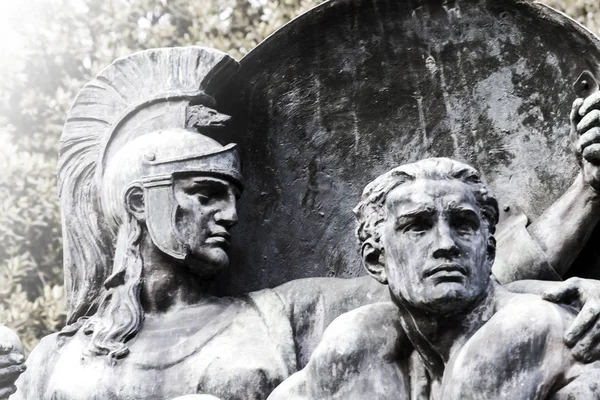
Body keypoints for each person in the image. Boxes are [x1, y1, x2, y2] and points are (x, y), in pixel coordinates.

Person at [5, 46, 600, 399]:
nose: (231, 214)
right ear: (139, 204)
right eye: (207, 193)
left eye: (232, 194)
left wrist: (589, 190)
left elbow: (447, 284)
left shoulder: (281, 313)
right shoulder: (50, 362)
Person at [268, 158, 600, 399]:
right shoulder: (365, 342)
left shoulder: (527, 324)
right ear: (375, 259)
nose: (445, 244)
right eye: (418, 226)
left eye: (463, 224)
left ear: (488, 251)